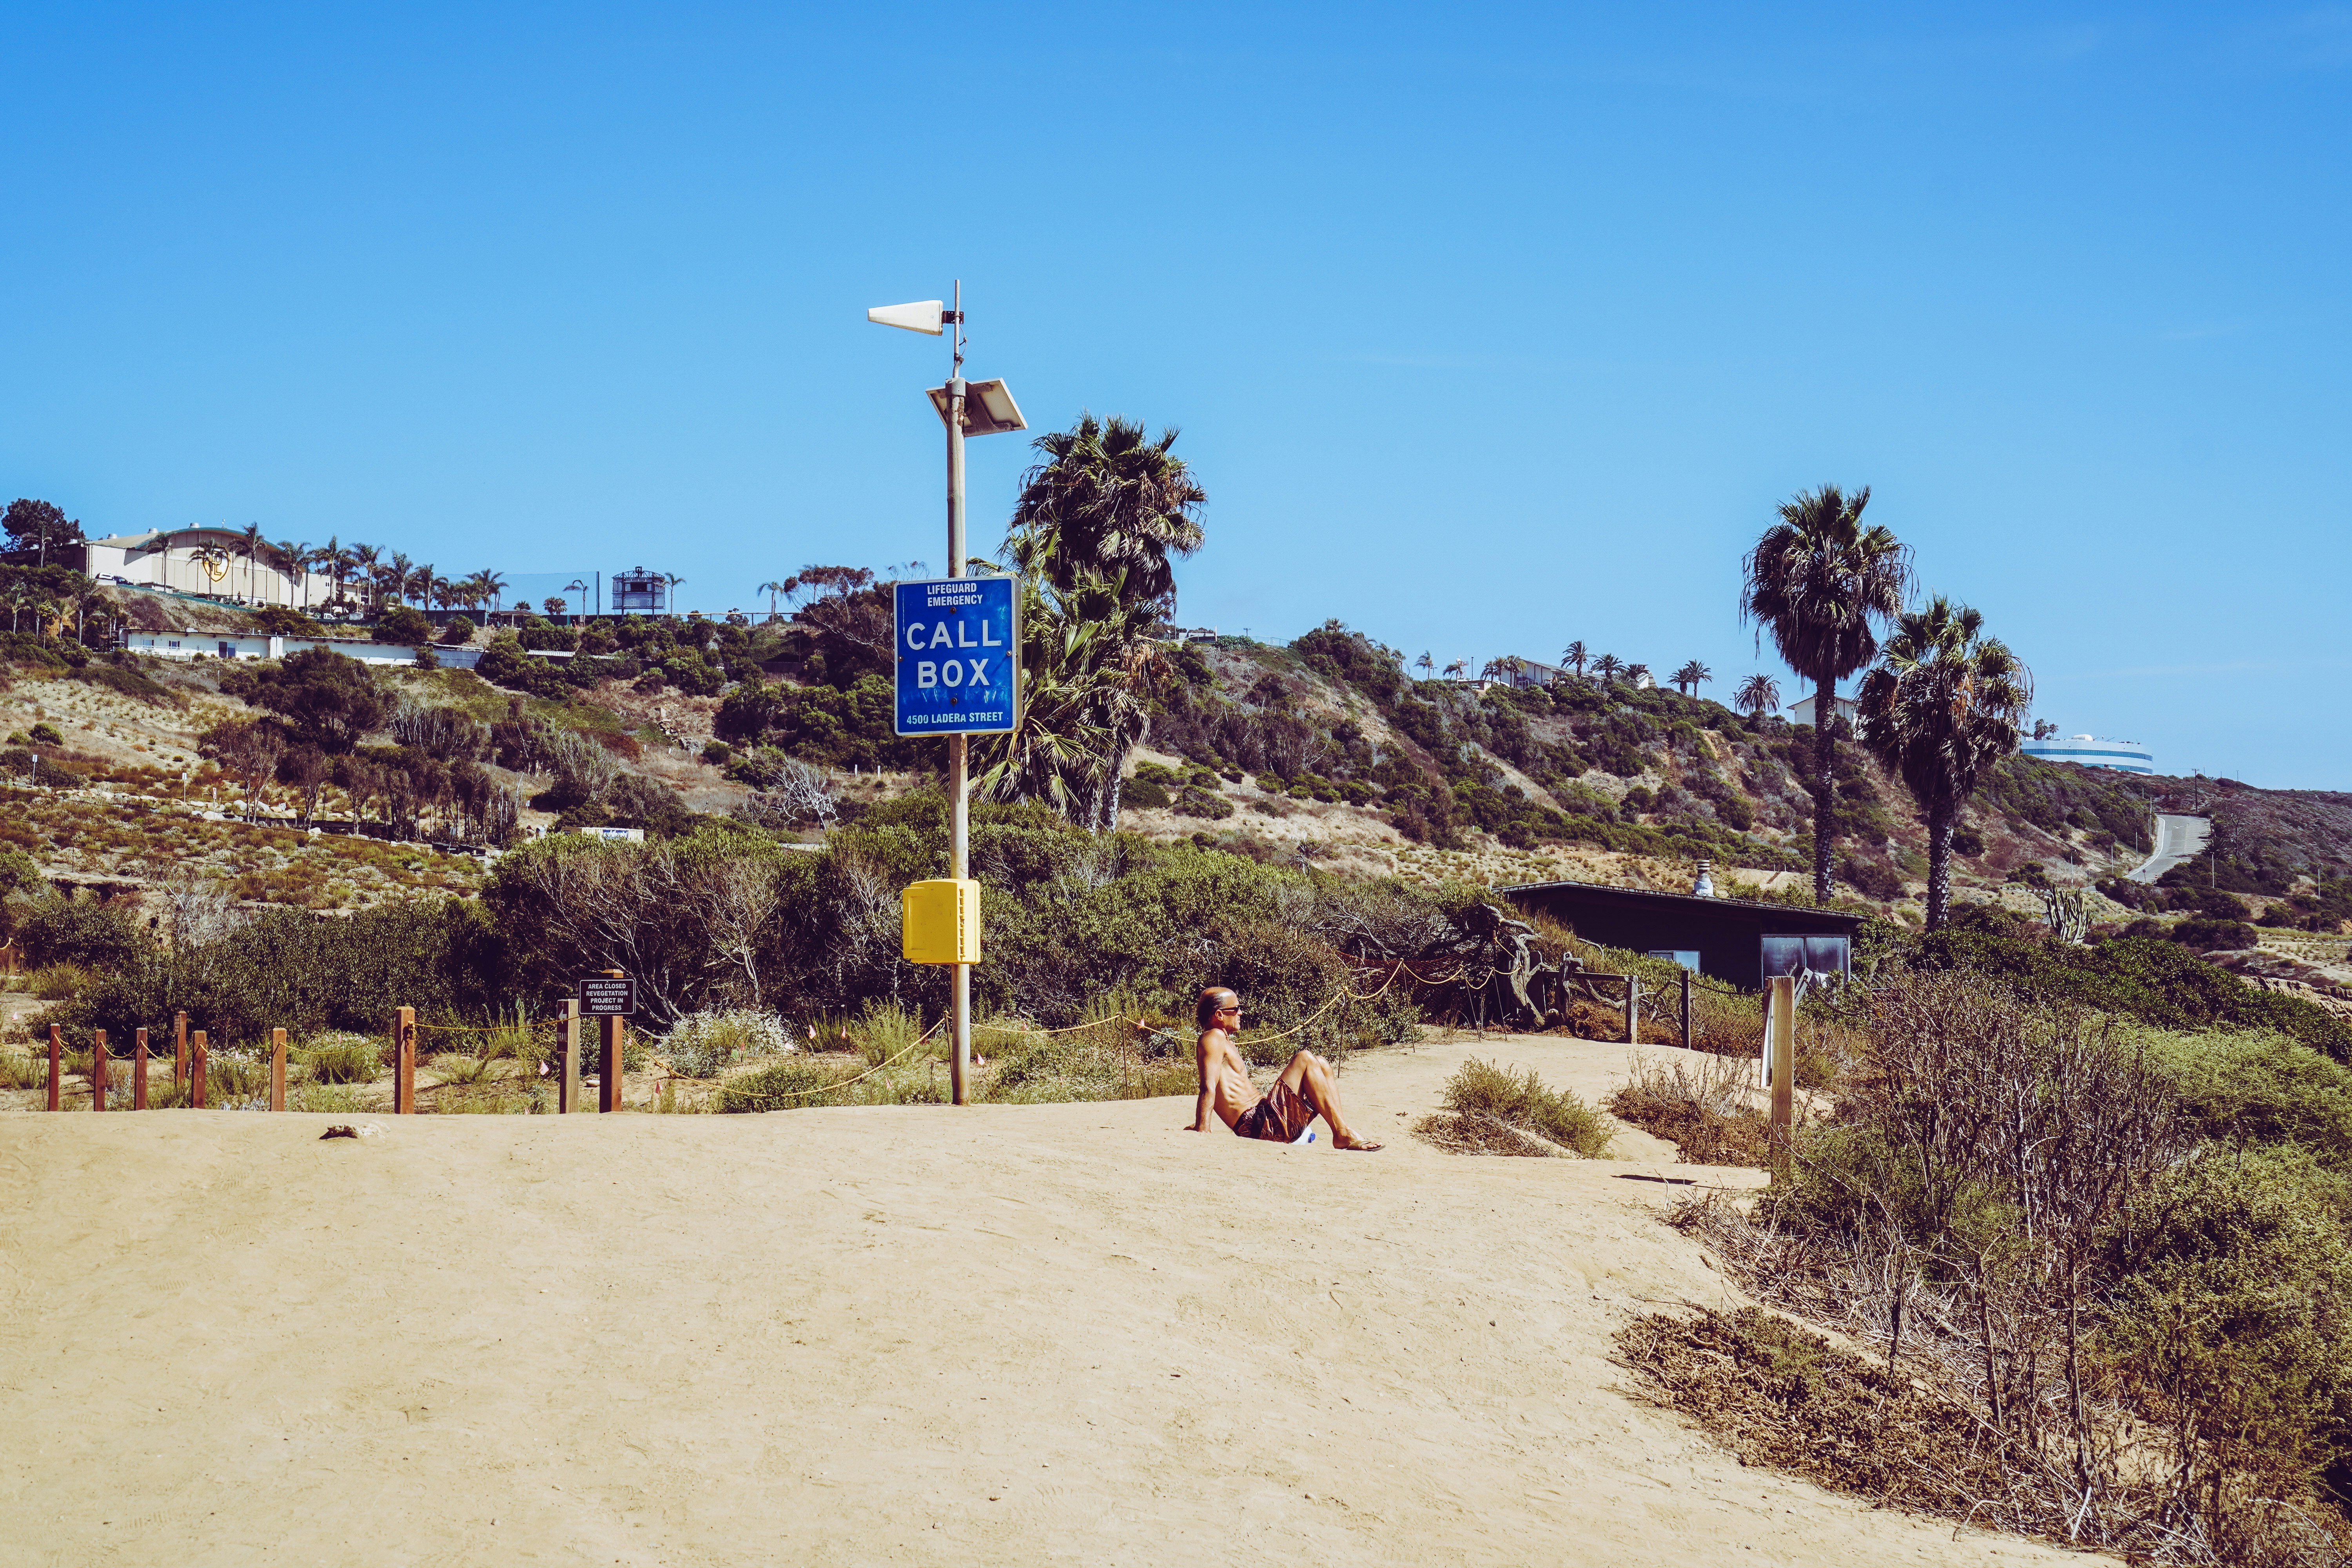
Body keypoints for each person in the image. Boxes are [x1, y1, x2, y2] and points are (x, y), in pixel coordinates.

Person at [1187, 987, 1381, 1151]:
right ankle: (1342, 1133)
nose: (1241, 1013)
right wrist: (1203, 1128)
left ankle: (1343, 1130)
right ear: (1219, 1015)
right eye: (1236, 1008)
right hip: (1258, 1126)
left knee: (1322, 1064)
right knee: (1304, 1058)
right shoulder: (1212, 1038)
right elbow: (1208, 1086)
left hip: (1266, 1117)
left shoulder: (1223, 1040)